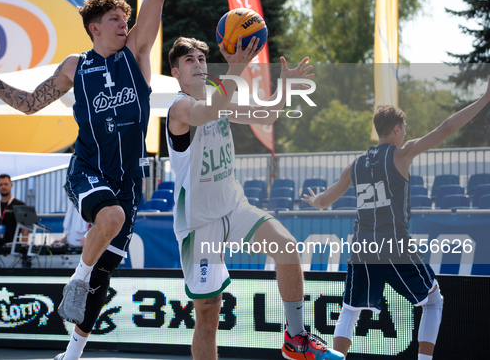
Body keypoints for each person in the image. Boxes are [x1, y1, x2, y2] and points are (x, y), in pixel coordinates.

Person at [0, 0, 165, 359]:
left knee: (102, 277)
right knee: (110, 220)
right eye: (115, 19)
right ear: (94, 27)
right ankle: (77, 277)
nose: (125, 24)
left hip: (127, 181)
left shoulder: (137, 52)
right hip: (88, 170)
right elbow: (28, 104)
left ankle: (71, 352)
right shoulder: (76, 65)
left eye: (127, 19)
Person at [165, 36, 343, 360]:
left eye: (202, 59)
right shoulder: (180, 107)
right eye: (189, 60)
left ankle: (295, 338)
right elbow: (206, 112)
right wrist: (235, 68)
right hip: (198, 221)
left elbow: (267, 115)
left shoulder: (217, 99)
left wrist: (285, 89)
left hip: (233, 205)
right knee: (208, 313)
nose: (199, 64)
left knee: (287, 247)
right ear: (176, 72)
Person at [301, 79, 490, 360]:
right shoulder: (401, 154)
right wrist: (485, 99)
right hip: (394, 245)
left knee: (350, 310)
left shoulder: (354, 165)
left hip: (362, 248)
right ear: (397, 129)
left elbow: (325, 202)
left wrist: (315, 200)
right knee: (433, 301)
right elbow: (446, 128)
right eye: (404, 130)